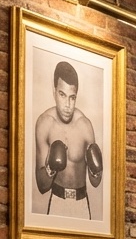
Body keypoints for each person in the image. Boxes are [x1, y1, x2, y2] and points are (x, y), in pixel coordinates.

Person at [33, 61, 102, 219]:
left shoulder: (85, 125)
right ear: (54, 91)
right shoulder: (45, 124)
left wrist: (95, 171)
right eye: (62, 95)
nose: (67, 105)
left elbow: (95, 183)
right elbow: (42, 186)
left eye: (72, 98)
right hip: (57, 201)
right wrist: (51, 167)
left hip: (82, 202)